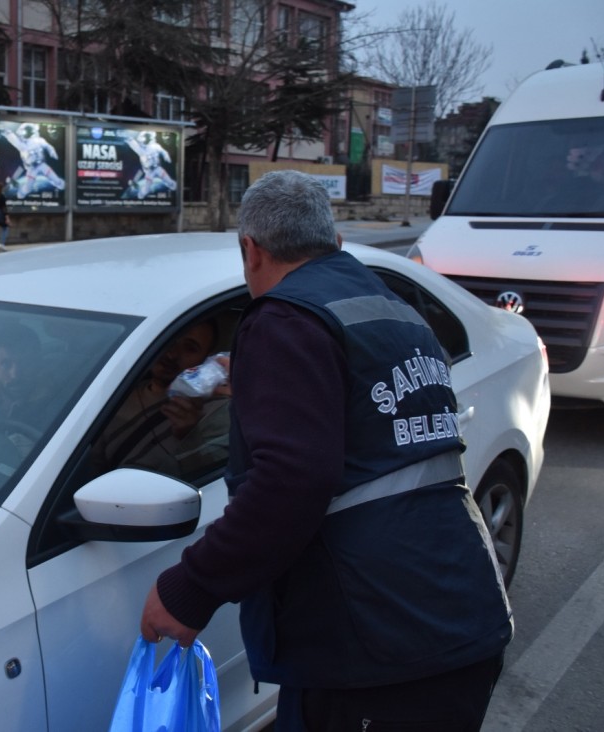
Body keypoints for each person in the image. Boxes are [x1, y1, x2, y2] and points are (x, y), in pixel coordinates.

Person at [139, 170, 512, 731]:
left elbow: (291, 480)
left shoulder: (284, 320)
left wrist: (191, 588)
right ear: (335, 245)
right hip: (457, 611)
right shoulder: (393, 311)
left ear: (251, 249)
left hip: (376, 647)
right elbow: (368, 416)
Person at [96, 319, 229, 478]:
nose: (172, 354)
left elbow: (213, 481)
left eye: (190, 348)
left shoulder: (218, 411)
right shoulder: (116, 395)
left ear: (206, 360)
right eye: (169, 340)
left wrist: (190, 435)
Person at [0, 323, 54, 454]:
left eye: (26, 363)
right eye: (5, 364)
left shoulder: (56, 404)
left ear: (39, 363)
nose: (15, 375)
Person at [1, 123, 66, 199]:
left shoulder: (39, 141)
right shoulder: (22, 146)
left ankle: (58, 183)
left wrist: (52, 151)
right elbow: (14, 140)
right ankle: (21, 193)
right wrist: (7, 133)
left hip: (42, 165)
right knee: (28, 188)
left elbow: (47, 146)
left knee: (58, 182)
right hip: (32, 168)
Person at [126, 130, 177, 200]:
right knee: (146, 189)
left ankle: (173, 186)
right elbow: (132, 143)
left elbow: (163, 151)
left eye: (147, 137)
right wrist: (128, 138)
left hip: (158, 168)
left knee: (170, 182)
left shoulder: (155, 146)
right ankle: (140, 195)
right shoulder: (140, 150)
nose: (145, 140)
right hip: (149, 172)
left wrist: (166, 156)